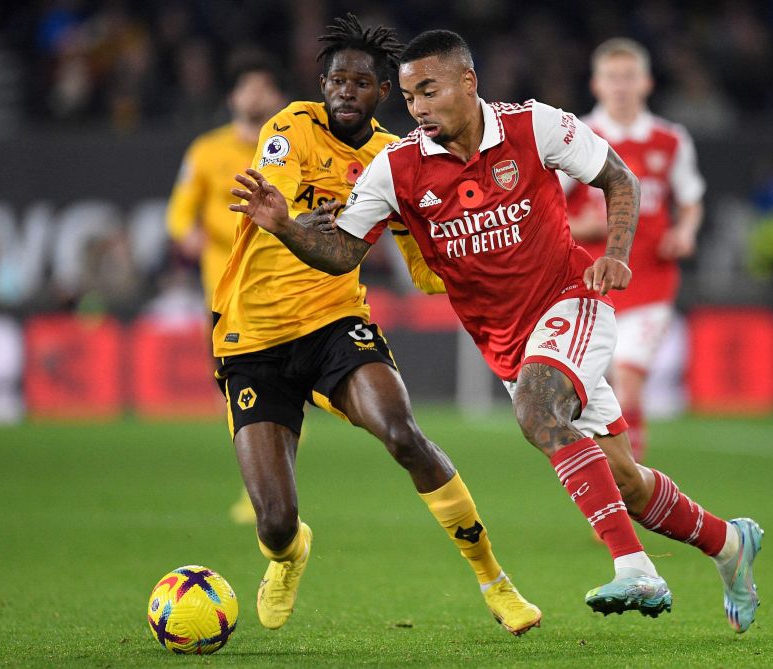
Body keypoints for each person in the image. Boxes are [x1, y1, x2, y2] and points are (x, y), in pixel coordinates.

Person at [232, 29, 763, 633]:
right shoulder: (396, 168)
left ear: (468, 82)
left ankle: (635, 567)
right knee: (625, 481)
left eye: (429, 91)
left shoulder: (536, 127)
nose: (419, 108)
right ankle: (730, 544)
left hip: (571, 301)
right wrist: (283, 225)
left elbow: (620, 178)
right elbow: (341, 253)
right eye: (409, 97)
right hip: (505, 342)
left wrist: (616, 252)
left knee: (539, 412)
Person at [214, 15, 541, 636]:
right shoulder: (290, 127)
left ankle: (493, 578)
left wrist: (492, 260)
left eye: (360, 83)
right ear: (322, 84)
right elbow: (278, 212)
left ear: (382, 93)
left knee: (402, 432)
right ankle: (289, 554)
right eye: (336, 80)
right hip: (251, 334)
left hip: (335, 321)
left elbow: (424, 270)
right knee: (275, 523)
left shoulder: (394, 160)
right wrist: (292, 220)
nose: (345, 91)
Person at [564, 38, 705, 462]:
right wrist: (577, 225)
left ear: (646, 82)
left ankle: (631, 487)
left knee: (628, 382)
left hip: (650, 281)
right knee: (597, 392)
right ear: (596, 84)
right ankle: (618, 479)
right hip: (591, 283)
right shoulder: (578, 136)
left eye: (628, 77)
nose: (620, 86)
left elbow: (691, 199)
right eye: (612, 77)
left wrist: (686, 231)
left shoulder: (670, 139)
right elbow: (545, 206)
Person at [166, 57, 287, 524]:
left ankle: (268, 483)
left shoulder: (287, 148)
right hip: (223, 291)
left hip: (280, 283)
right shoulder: (206, 150)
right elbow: (179, 209)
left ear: (277, 100)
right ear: (234, 98)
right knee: (237, 391)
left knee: (282, 384)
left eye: (264, 88)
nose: (256, 96)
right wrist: (185, 233)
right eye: (248, 88)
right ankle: (256, 481)